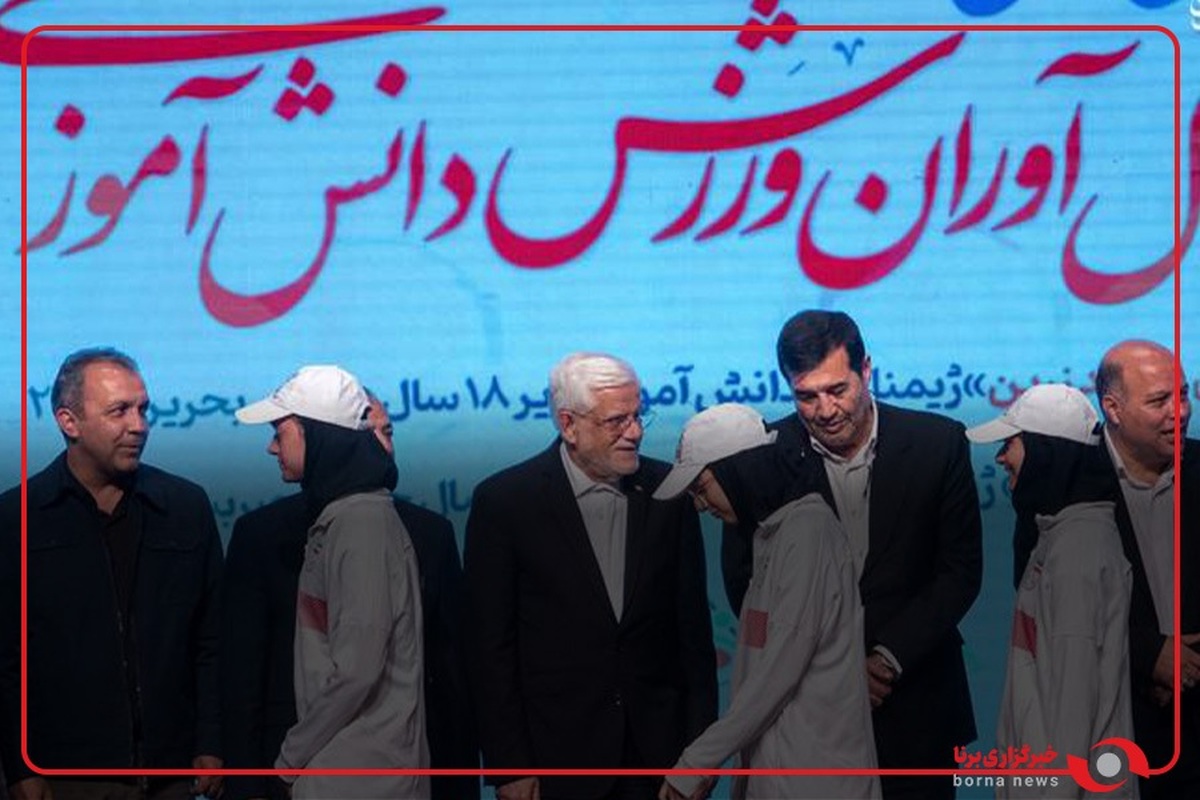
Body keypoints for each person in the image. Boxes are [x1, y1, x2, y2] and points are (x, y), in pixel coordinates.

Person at [720, 310, 981, 799]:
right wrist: (829, 668)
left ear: (866, 369)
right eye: (806, 396)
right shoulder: (762, 455)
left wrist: (885, 661)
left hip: (915, 706)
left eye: (837, 390)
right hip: (805, 717)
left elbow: (958, 573)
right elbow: (745, 583)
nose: (825, 410)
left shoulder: (938, 443)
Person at [463, 352, 717, 800]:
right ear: (568, 424)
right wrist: (509, 766)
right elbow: (490, 650)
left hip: (658, 761)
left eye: (638, 416)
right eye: (617, 421)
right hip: (557, 761)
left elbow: (693, 638)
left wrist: (700, 756)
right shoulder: (506, 503)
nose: (635, 432)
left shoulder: (667, 492)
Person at [220, 394, 477, 800]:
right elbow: (244, 670)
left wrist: (288, 760)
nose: (271, 447)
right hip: (328, 765)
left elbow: (362, 669)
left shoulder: (367, 522)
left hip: (361, 770)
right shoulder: (295, 528)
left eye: (385, 432)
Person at [0, 347, 223, 800]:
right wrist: (20, 767)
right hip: (67, 777)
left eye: (143, 409)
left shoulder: (185, 507)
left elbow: (212, 639)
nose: (138, 425)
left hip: (174, 772)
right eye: (119, 411)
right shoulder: (17, 518)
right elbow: (6, 660)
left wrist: (213, 741)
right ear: (69, 422)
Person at [654, 404, 879, 800]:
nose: (700, 506)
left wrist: (696, 762)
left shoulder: (808, 532)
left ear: (738, 468)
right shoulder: (771, 535)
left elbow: (777, 673)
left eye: (702, 488)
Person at [966, 383, 1134, 797]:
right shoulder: (1060, 538)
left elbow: (1073, 708)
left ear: (1046, 451)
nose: (1000, 457)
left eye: (1010, 443)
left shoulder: (1079, 550)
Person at [1093, 340, 1199, 798]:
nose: (1180, 412)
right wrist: (1149, 655)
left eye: (1184, 395)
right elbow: (1047, 602)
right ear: (1112, 409)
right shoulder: (1068, 483)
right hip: (1113, 727)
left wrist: (1186, 666)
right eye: (1159, 401)